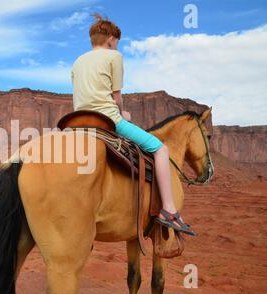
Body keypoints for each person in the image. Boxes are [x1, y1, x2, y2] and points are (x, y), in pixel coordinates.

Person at [70, 13, 196, 236]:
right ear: (111, 39)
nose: (117, 45)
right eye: (117, 41)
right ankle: (168, 209)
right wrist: (122, 115)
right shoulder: (113, 57)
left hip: (78, 121)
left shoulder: (78, 62)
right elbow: (116, 97)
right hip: (106, 119)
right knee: (160, 149)